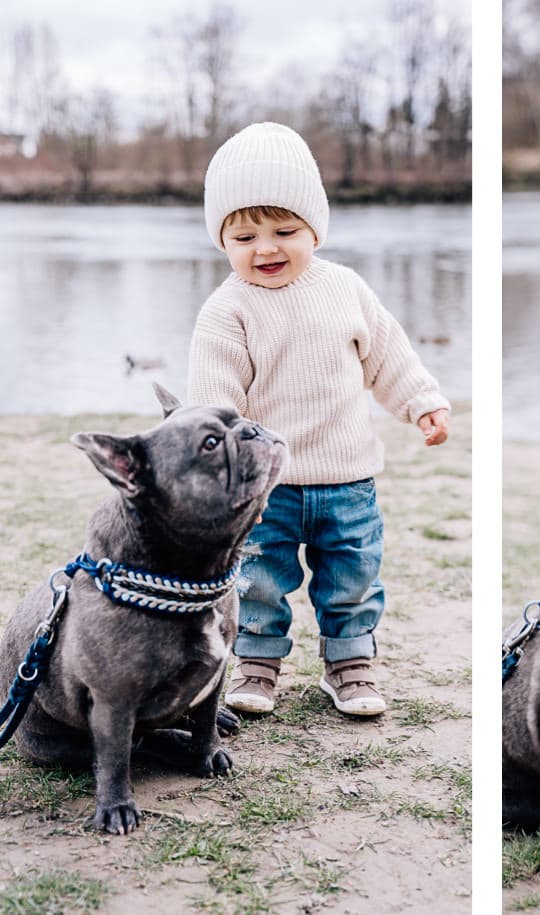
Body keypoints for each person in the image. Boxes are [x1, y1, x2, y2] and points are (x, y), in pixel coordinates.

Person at [188, 122, 451, 719]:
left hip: (347, 478)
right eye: (245, 235)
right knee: (258, 579)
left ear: (315, 229)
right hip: (263, 488)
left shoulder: (345, 288)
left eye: (285, 231)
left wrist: (422, 403)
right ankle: (256, 664)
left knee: (353, 577)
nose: (267, 248)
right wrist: (215, 470)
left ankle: (350, 664)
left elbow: (389, 356)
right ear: (222, 240)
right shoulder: (226, 310)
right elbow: (214, 402)